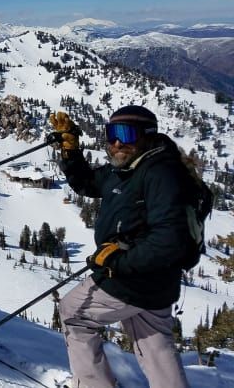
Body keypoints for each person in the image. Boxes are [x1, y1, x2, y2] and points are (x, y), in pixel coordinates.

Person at [49, 105, 194, 388]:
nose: (116, 142)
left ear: (148, 135)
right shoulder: (126, 168)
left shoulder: (160, 174)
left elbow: (169, 241)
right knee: (154, 343)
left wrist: (116, 262)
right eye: (111, 133)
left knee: (73, 314)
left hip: (133, 277)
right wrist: (71, 150)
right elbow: (87, 183)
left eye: (126, 134)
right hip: (156, 281)